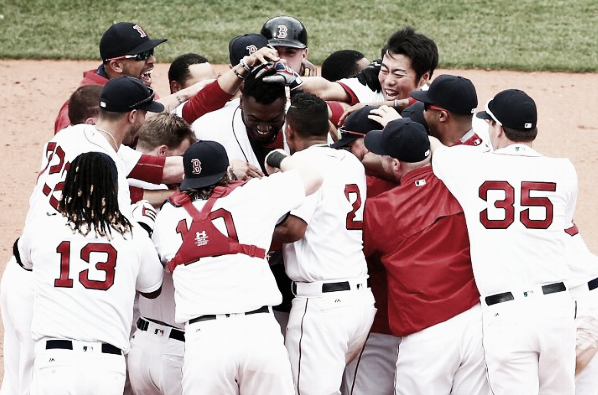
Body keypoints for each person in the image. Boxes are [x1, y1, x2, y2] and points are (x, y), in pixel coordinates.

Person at [0, 76, 165, 395]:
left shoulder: (72, 137)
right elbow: (149, 282)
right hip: (81, 328)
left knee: (17, 379)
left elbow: (24, 254)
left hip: (29, 274)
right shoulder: (127, 226)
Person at [431, 89, 577, 394]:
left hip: (508, 315)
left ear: (496, 128)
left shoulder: (471, 166)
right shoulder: (564, 170)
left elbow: (431, 147)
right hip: (558, 309)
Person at [151, 139, 323, 394]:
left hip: (205, 339)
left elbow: (165, 268)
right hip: (258, 331)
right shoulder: (252, 195)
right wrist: (276, 157)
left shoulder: (167, 216)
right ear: (227, 173)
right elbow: (313, 177)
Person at [18, 152, 163, 395]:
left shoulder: (43, 226)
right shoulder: (133, 235)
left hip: (55, 362)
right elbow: (152, 288)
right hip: (107, 367)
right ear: (114, 186)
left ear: (70, 184)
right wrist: (143, 229)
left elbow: (23, 260)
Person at [362, 118, 489, 395]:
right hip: (476, 324)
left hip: (427, 336)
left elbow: (353, 256)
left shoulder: (381, 210)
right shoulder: (457, 186)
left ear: (395, 164)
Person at [273, 93, 376, 394]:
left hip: (321, 308)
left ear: (289, 131)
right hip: (359, 302)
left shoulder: (303, 166)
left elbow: (294, 229)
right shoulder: (351, 162)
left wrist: (259, 215)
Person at [126, 113, 196, 395]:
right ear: (164, 154)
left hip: (134, 338)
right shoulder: (173, 200)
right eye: (184, 157)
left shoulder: (114, 182)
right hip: (168, 339)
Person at [55, 22, 167, 133]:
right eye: (143, 55)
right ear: (116, 65)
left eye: (150, 52)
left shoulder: (140, 88)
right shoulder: (83, 109)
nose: (153, 60)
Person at [298, 27, 438, 109]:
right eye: (384, 70)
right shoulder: (367, 87)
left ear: (423, 78)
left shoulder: (436, 99)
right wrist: (292, 79)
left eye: (398, 74)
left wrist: (373, 107)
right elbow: (325, 89)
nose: (388, 81)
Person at [411, 74, 488, 147]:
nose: (423, 111)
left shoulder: (450, 157)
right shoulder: (488, 132)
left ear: (442, 116)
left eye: (426, 106)